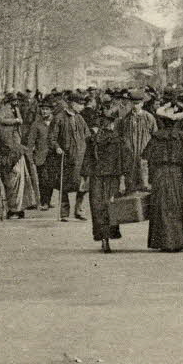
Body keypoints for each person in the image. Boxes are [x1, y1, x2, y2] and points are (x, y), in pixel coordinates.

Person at [145, 101, 183, 253]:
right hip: (176, 174)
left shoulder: (156, 137)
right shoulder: (182, 137)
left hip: (160, 174)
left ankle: (163, 240)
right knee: (176, 205)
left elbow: (148, 157)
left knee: (160, 207)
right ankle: (177, 240)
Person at [82, 96, 124, 253]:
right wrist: (124, 179)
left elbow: (87, 160)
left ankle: (103, 238)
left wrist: (84, 178)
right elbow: (123, 161)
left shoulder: (93, 140)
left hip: (97, 177)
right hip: (112, 177)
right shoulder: (118, 140)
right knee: (111, 206)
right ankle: (108, 236)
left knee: (98, 207)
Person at [49, 92, 89, 221]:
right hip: (66, 158)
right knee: (64, 186)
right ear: (72, 104)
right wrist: (57, 147)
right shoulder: (59, 118)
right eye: (80, 104)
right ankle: (64, 213)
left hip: (81, 157)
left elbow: (87, 135)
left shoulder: (80, 118)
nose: (82, 107)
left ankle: (79, 210)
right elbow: (52, 138)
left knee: (82, 185)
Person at [26, 104, 55, 210]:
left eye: (47, 109)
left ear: (51, 110)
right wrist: (30, 156)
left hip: (53, 155)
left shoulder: (55, 123)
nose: (44, 111)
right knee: (43, 179)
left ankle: (48, 201)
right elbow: (31, 141)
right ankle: (44, 201)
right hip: (40, 156)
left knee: (51, 179)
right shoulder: (36, 124)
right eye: (43, 109)